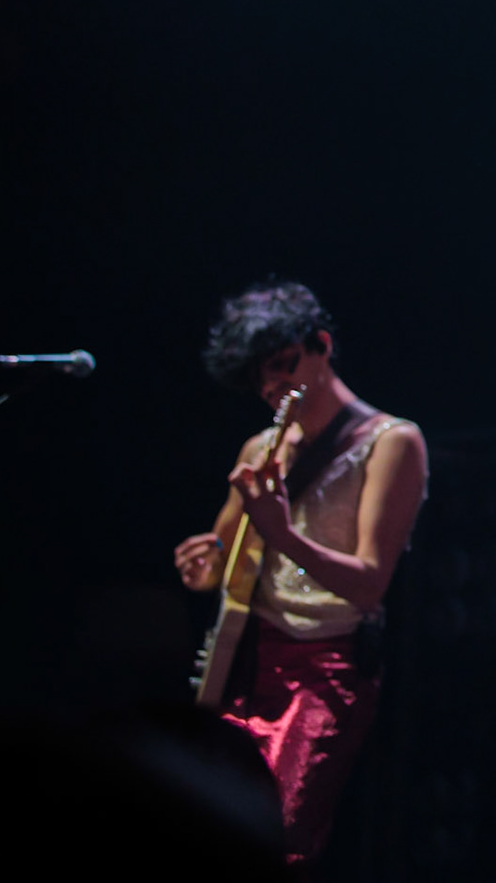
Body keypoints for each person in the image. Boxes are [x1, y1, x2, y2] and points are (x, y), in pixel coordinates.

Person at [171, 281, 427, 871]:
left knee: (277, 837)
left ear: (321, 345)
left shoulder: (391, 442)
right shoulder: (264, 446)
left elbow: (369, 584)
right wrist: (203, 567)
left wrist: (283, 533)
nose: (271, 388)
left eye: (282, 366)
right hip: (250, 658)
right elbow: (225, 557)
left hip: (325, 668)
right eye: (258, 379)